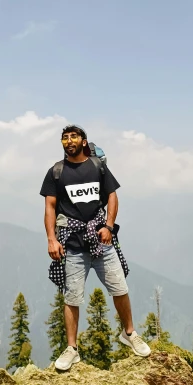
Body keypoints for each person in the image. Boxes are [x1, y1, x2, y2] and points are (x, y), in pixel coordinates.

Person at [40, 124, 151, 371]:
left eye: (73, 137)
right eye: (64, 138)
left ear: (83, 141)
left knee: (119, 287)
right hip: (72, 243)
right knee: (72, 297)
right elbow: (50, 206)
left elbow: (112, 195)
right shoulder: (56, 172)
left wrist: (109, 226)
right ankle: (72, 349)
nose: (69, 141)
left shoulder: (98, 167)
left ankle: (129, 334)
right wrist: (51, 238)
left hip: (101, 240)